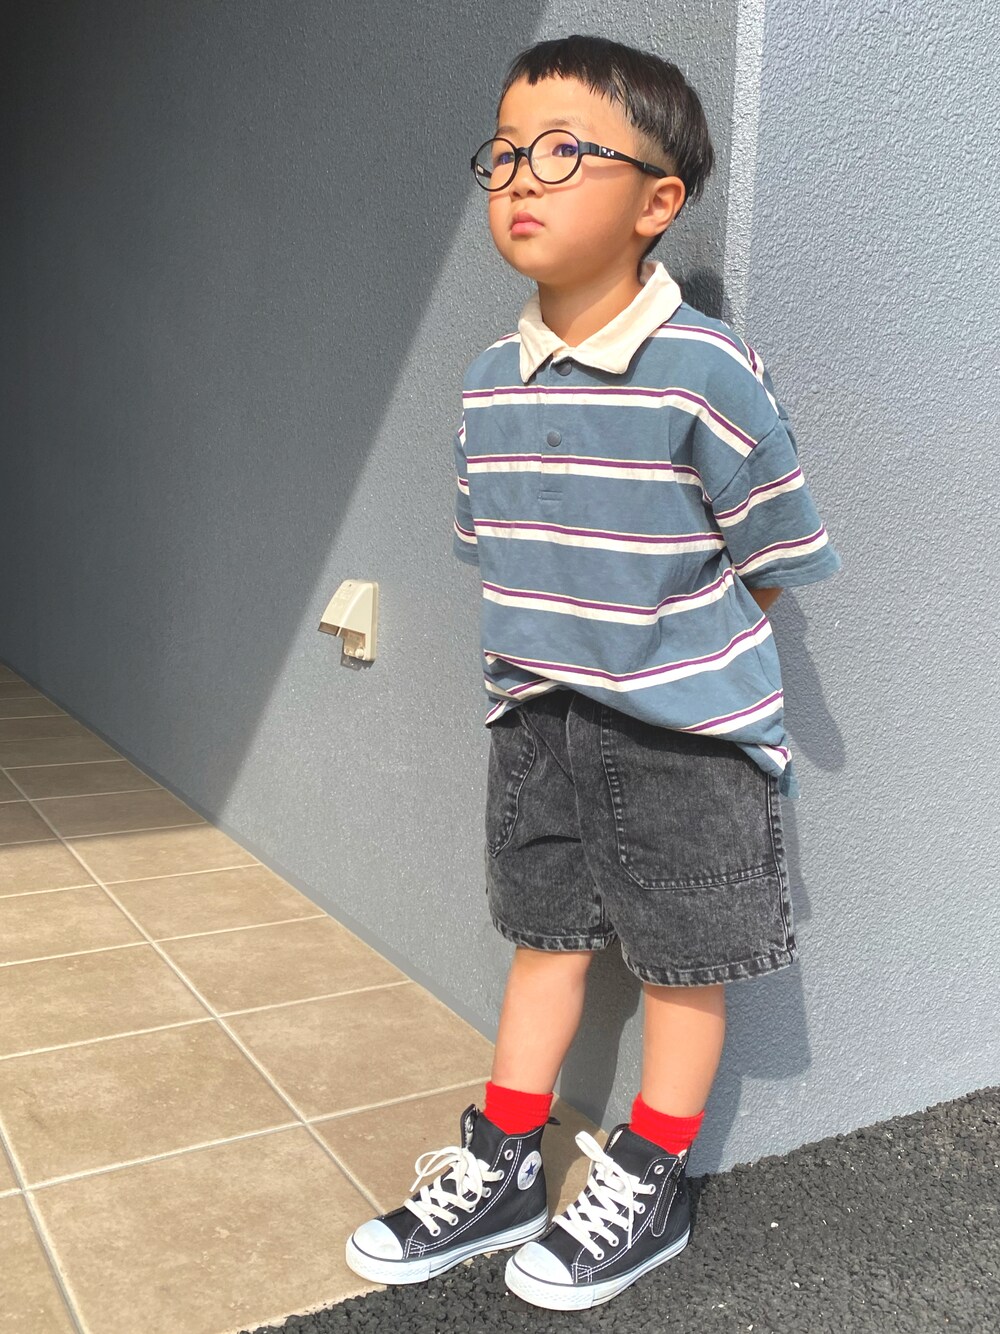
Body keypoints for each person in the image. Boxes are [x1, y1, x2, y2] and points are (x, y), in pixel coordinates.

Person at [345, 32, 841, 1311]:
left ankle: (650, 1176)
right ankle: (507, 1159)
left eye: (564, 151)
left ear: (657, 201)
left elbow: (773, 553)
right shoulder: (485, 384)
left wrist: (678, 662)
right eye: (506, 150)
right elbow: (494, 546)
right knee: (545, 942)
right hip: (535, 719)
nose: (522, 175)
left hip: (687, 735)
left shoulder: (705, 368)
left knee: (681, 962)